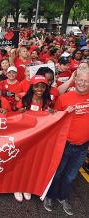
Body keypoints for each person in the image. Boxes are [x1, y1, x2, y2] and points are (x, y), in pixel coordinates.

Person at [43, 68, 89, 216]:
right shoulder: (64, 98)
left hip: (83, 147)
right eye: (80, 80)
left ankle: (63, 197)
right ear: (75, 80)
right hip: (65, 145)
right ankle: (50, 196)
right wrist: (64, 113)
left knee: (71, 175)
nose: (83, 83)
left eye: (86, 81)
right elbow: (54, 118)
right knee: (57, 173)